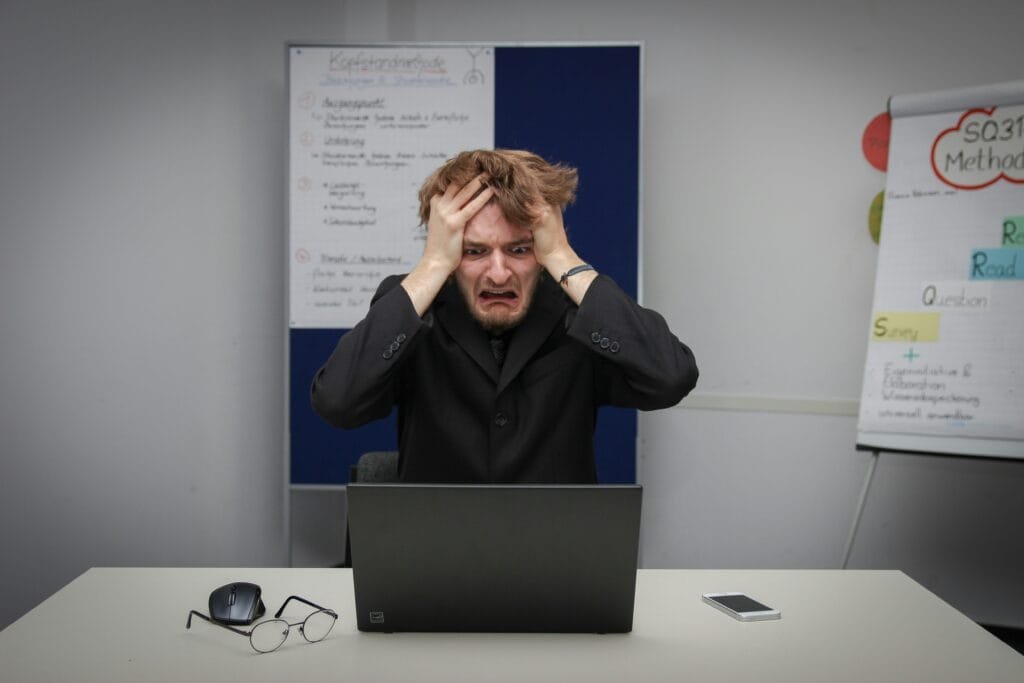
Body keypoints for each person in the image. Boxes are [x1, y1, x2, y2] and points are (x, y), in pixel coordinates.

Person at [311, 149, 698, 483]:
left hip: (557, 553)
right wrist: (432, 266)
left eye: (519, 250)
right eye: (474, 252)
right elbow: (338, 402)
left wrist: (562, 258)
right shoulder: (415, 307)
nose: (497, 274)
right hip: (436, 553)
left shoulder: (576, 310)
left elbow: (669, 377)